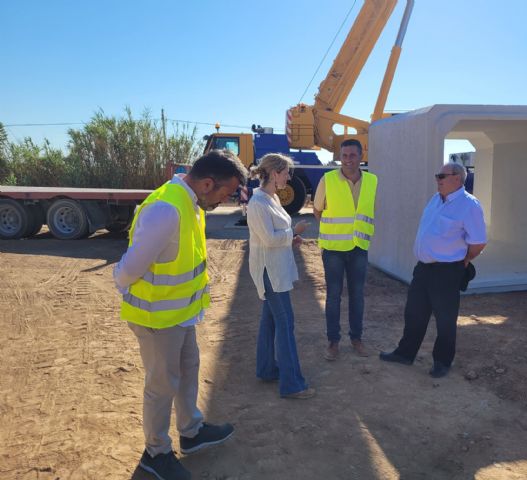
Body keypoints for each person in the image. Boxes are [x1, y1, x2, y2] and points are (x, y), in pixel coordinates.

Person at [114, 149, 248, 480]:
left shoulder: (191, 204)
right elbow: (127, 270)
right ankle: (156, 452)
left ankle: (191, 432)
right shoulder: (166, 210)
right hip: (156, 319)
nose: (225, 200)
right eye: (225, 193)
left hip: (181, 315)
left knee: (188, 371)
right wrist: (135, 295)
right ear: (206, 183)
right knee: (161, 386)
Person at [380, 162, 487, 378]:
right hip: (423, 270)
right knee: (414, 314)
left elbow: (478, 242)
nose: (437, 180)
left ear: (457, 178)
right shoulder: (435, 200)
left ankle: (442, 361)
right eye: (437, 176)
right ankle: (405, 353)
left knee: (445, 320)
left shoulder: (470, 205)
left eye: (441, 176)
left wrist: (463, 261)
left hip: (447, 272)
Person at [246, 153, 315, 399]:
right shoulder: (258, 204)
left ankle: (266, 369)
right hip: (270, 273)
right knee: (285, 324)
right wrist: (292, 232)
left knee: (271, 321)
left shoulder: (271, 200)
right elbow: (269, 239)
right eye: (286, 172)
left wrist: (290, 239)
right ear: (275, 173)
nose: (289, 176)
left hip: (277, 269)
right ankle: (292, 384)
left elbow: (278, 237)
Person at [313, 139, 378, 361]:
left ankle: (356, 338)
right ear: (339, 157)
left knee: (357, 296)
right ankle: (333, 342)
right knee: (333, 297)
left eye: (352, 155)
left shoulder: (372, 181)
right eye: (344, 155)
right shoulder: (328, 179)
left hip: (359, 247)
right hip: (333, 249)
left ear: (361, 156)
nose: (348, 159)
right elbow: (317, 210)